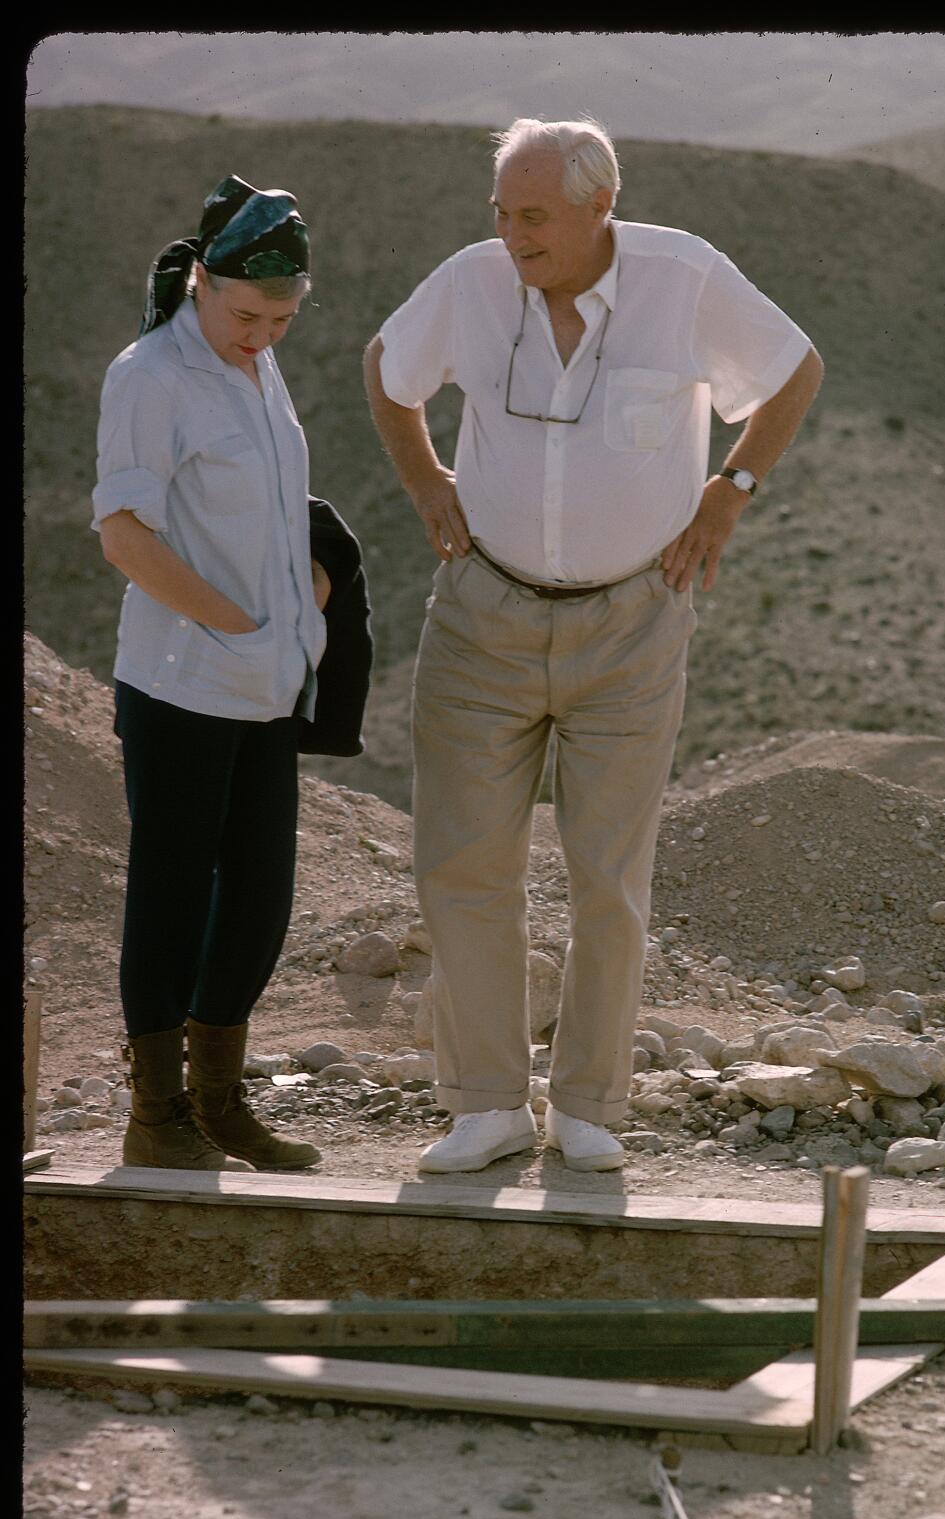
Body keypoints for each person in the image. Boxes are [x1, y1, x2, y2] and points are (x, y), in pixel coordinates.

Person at [364, 117, 823, 1174]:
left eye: (533, 217)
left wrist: (730, 491)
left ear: (598, 207)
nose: (511, 236)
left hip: (632, 622)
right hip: (483, 616)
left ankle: (589, 1104)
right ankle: (484, 1105)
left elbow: (796, 368)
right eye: (501, 213)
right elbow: (387, 368)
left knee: (607, 873)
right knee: (463, 864)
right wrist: (426, 479)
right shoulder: (474, 280)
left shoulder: (683, 277)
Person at [93, 174, 330, 1171]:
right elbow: (123, 536)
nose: (263, 332)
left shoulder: (256, 365)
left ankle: (220, 1100)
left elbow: (264, 500)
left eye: (281, 317)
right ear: (202, 281)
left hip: (267, 681)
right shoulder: (150, 374)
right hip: (183, 682)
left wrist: (307, 581)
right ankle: (157, 1117)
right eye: (246, 312)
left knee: (262, 896)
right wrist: (235, 618)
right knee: (174, 893)